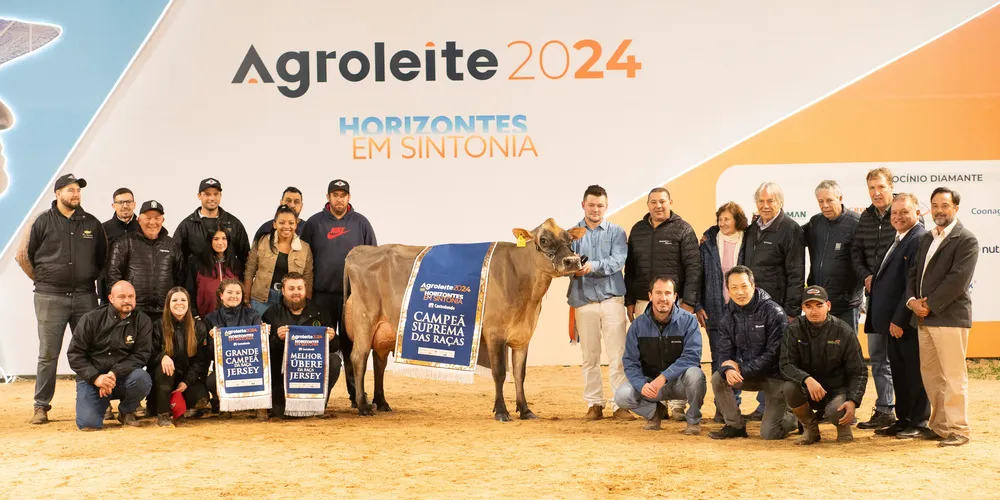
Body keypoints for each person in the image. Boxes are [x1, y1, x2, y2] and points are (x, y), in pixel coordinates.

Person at [15, 173, 107, 425]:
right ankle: (41, 406)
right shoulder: (41, 221)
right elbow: (24, 256)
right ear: (57, 194)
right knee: (48, 354)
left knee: (91, 351)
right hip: (50, 297)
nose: (75, 194)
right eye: (70, 190)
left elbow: (102, 259)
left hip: (85, 296)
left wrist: (85, 278)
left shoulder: (92, 223)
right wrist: (46, 280)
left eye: (78, 190)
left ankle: (98, 403)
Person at [906, 187, 979, 447]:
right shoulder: (927, 238)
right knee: (932, 376)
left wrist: (929, 305)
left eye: (945, 206)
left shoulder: (966, 239)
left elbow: (957, 281)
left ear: (955, 208)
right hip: (924, 319)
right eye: (935, 205)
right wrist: (912, 302)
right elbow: (913, 273)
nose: (939, 211)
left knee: (953, 377)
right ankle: (939, 426)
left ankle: (959, 429)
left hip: (949, 318)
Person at [623, 187, 701, 420]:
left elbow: (694, 267)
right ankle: (655, 404)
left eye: (662, 201)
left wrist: (688, 302)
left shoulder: (683, 229)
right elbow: (631, 268)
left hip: (676, 303)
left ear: (670, 202)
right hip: (643, 301)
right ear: (648, 204)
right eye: (654, 202)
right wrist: (629, 299)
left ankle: (678, 405)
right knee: (651, 353)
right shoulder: (638, 230)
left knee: (676, 352)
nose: (658, 206)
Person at [301, 179, 376, 406]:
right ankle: (317, 396)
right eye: (335, 195)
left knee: (353, 346)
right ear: (328, 197)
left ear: (349, 198)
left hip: (353, 297)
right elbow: (303, 258)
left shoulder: (361, 223)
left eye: (343, 195)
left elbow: (373, 260)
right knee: (319, 344)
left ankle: (357, 395)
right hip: (321, 296)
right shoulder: (314, 223)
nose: (339, 199)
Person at [106, 200, 184, 416]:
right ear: (139, 219)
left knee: (160, 357)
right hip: (134, 313)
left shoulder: (172, 245)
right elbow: (113, 276)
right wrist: (120, 307)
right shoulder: (124, 243)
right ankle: (129, 405)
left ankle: (155, 404)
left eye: (157, 218)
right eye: (148, 217)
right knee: (129, 357)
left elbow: (179, 279)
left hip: (163, 314)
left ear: (163, 220)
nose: (152, 222)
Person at [708, 265, 797, 440]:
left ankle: (794, 417)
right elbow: (723, 352)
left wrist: (740, 368)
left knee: (769, 434)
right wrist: (728, 369)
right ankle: (735, 426)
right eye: (734, 288)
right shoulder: (727, 315)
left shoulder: (774, 312)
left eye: (744, 286)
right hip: (748, 373)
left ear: (753, 285)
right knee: (719, 377)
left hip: (775, 376)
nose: (739, 292)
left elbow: (774, 355)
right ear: (728, 290)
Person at [742, 181, 805, 421]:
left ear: (780, 202)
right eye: (761, 201)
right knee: (763, 355)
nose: (765, 205)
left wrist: (791, 310)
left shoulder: (791, 229)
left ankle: (785, 408)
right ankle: (764, 407)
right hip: (755, 306)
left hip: (779, 308)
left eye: (770, 201)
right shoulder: (751, 229)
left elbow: (796, 273)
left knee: (781, 358)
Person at [869, 193, 930, 438]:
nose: (898, 217)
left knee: (914, 373)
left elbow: (911, 284)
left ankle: (919, 421)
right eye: (894, 213)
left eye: (904, 212)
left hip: (905, 322)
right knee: (900, 372)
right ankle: (904, 419)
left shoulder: (918, 238)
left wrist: (899, 318)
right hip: (892, 322)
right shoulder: (899, 237)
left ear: (917, 213)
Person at [566, 185, 629, 420]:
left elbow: (617, 261)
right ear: (583, 205)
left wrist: (592, 266)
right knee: (590, 356)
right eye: (591, 205)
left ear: (606, 206)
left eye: (600, 205)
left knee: (617, 355)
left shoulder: (617, 232)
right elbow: (564, 264)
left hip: (612, 300)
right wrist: (573, 268)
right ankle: (594, 404)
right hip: (583, 301)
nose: (595, 209)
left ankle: (620, 404)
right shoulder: (570, 235)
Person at [616, 276, 706, 435]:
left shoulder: (688, 321)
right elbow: (630, 362)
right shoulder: (637, 325)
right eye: (658, 293)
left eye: (667, 293)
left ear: (675, 296)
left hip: (679, 384)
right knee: (622, 396)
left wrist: (664, 377)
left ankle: (693, 421)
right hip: (651, 385)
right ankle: (655, 413)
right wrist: (641, 384)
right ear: (650, 296)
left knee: (695, 374)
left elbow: (691, 357)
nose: (663, 298)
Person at [780, 286, 868, 445]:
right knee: (789, 388)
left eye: (819, 306)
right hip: (808, 389)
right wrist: (806, 379)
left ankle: (843, 429)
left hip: (837, 390)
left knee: (836, 411)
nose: (814, 311)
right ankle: (811, 429)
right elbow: (785, 364)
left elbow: (859, 371)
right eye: (808, 306)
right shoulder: (793, 329)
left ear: (828, 306)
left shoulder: (844, 331)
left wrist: (853, 400)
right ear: (803, 308)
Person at [66, 281, 153, 430]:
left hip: (122, 377)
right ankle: (101, 404)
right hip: (93, 379)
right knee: (88, 424)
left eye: (131, 296)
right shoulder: (91, 319)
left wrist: (114, 373)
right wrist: (96, 378)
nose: (127, 300)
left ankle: (126, 411)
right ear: (111, 299)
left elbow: (141, 355)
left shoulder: (143, 321)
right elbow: (75, 354)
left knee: (142, 378)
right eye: (122, 296)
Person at [853, 167, 898, 430]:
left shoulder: (904, 211)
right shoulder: (866, 217)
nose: (876, 192)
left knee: (902, 358)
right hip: (874, 300)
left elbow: (912, 257)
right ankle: (885, 410)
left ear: (891, 186)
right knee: (879, 356)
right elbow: (856, 252)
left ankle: (910, 414)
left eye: (881, 187)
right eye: (872, 188)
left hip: (901, 301)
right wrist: (866, 276)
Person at [696, 201, 748, 422]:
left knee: (739, 358)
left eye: (727, 219)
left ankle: (734, 406)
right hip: (714, 309)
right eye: (720, 219)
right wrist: (698, 305)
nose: (723, 223)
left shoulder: (749, 241)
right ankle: (722, 407)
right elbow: (698, 275)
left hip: (742, 310)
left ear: (737, 220)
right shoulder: (708, 242)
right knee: (719, 358)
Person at [261, 272, 340, 418]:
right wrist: (277, 338)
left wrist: (332, 338)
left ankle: (318, 404)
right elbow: (263, 352)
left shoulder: (320, 312)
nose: (296, 292)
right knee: (281, 413)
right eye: (291, 289)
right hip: (282, 374)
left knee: (334, 360)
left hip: (312, 369)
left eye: (299, 288)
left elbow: (335, 347)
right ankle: (278, 401)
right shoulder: (271, 314)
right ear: (283, 291)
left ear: (305, 289)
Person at [803, 180, 862, 331]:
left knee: (847, 345)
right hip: (819, 302)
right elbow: (793, 236)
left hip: (846, 306)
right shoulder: (815, 222)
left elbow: (865, 261)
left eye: (829, 200)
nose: (825, 205)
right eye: (820, 201)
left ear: (840, 198)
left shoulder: (857, 223)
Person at [204, 279, 265, 420]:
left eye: (238, 293)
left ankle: (259, 405)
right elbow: (208, 353)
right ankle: (225, 404)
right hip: (224, 368)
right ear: (221, 295)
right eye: (229, 292)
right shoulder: (210, 318)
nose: (234, 296)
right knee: (212, 381)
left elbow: (261, 347)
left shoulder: (253, 314)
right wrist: (213, 341)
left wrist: (264, 334)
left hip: (250, 366)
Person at [150, 287, 211, 427]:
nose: (179, 303)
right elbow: (149, 353)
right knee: (165, 370)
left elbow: (200, 361)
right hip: (164, 378)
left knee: (201, 398)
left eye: (183, 300)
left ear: (188, 303)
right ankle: (163, 413)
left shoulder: (199, 327)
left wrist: (186, 382)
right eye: (174, 300)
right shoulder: (157, 326)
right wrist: (162, 356)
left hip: (186, 377)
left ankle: (181, 408)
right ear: (168, 304)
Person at [245, 205, 314, 316]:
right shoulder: (261, 242)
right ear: (274, 224)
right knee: (260, 327)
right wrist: (246, 298)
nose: (286, 226)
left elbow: (308, 278)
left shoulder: (304, 248)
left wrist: (306, 304)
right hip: (260, 300)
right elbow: (250, 270)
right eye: (282, 223)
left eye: (291, 223)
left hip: (290, 301)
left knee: (285, 328)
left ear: (296, 224)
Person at [174, 177, 251, 277]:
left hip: (228, 283)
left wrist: (243, 283)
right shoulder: (187, 225)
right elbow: (177, 259)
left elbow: (245, 257)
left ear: (220, 195)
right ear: (199, 196)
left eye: (215, 194)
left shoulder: (234, 223)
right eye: (207, 194)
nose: (212, 198)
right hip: (196, 282)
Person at [186, 228, 242, 317]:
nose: (220, 243)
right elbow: (190, 291)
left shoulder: (235, 263)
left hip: (232, 319)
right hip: (205, 317)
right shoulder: (197, 263)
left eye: (224, 238)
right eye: (216, 239)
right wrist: (195, 315)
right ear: (210, 241)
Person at [98, 187, 140, 303]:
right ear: (113, 206)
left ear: (134, 204)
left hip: (138, 290)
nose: (125, 206)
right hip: (109, 291)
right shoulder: (103, 229)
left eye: (128, 202)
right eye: (120, 202)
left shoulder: (142, 228)